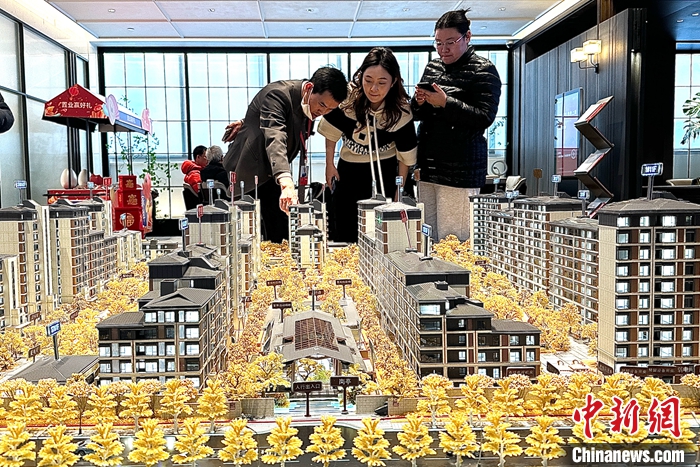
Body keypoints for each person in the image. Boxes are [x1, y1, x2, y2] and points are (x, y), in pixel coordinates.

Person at [223, 66, 348, 243]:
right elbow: (275, 136)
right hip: (250, 171)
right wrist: (286, 181)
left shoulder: (308, 104)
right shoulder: (277, 94)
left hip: (272, 172)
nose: (323, 112)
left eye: (330, 109)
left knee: (281, 231)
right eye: (322, 105)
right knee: (254, 234)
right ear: (309, 88)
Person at [412, 9, 501, 242]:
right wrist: (419, 102)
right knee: (427, 237)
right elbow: (417, 114)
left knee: (453, 240)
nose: (443, 49)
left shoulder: (484, 70)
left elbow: (485, 117)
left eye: (450, 42)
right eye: (438, 43)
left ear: (467, 37)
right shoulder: (433, 67)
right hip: (428, 166)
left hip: (461, 170)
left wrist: (446, 103)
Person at [319, 47, 417, 243]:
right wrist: (329, 164)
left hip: (385, 172)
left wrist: (399, 190)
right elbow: (331, 131)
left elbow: (405, 157)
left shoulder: (401, 111)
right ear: (361, 76)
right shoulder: (348, 98)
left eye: (382, 83)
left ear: (393, 82)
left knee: (381, 232)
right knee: (346, 227)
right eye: (368, 80)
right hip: (348, 170)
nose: (373, 89)